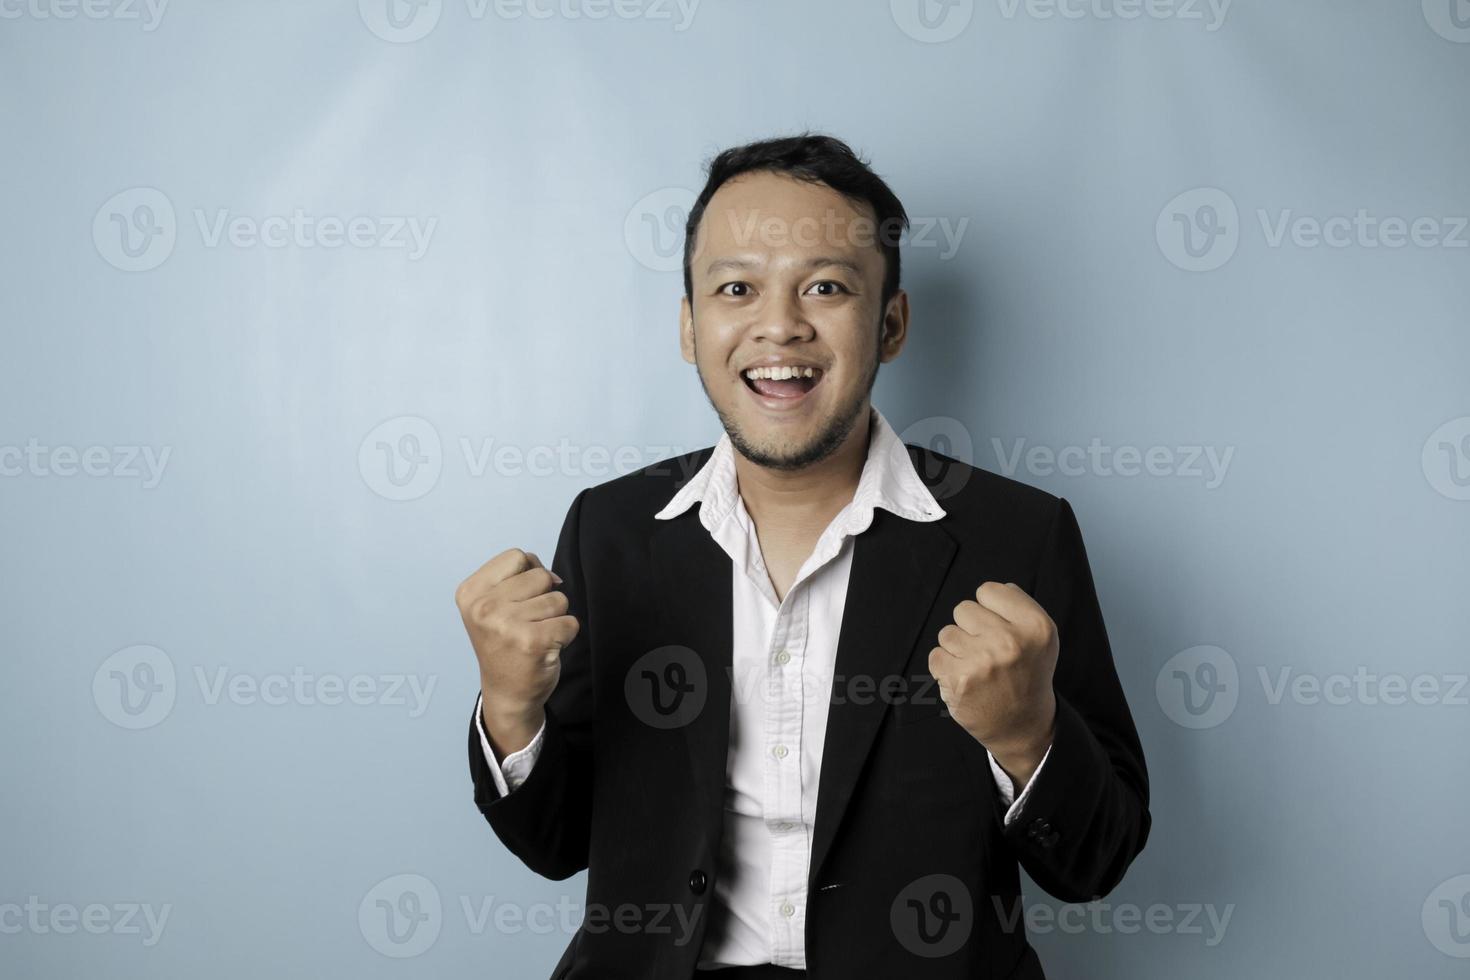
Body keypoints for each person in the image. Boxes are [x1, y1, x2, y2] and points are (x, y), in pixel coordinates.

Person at [455, 133, 1150, 979]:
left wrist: (1027, 735)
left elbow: (1094, 863)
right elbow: (557, 844)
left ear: (890, 323)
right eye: (736, 287)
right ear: (689, 325)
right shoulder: (613, 530)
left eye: (825, 286)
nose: (779, 325)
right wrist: (510, 712)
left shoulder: (1020, 535)